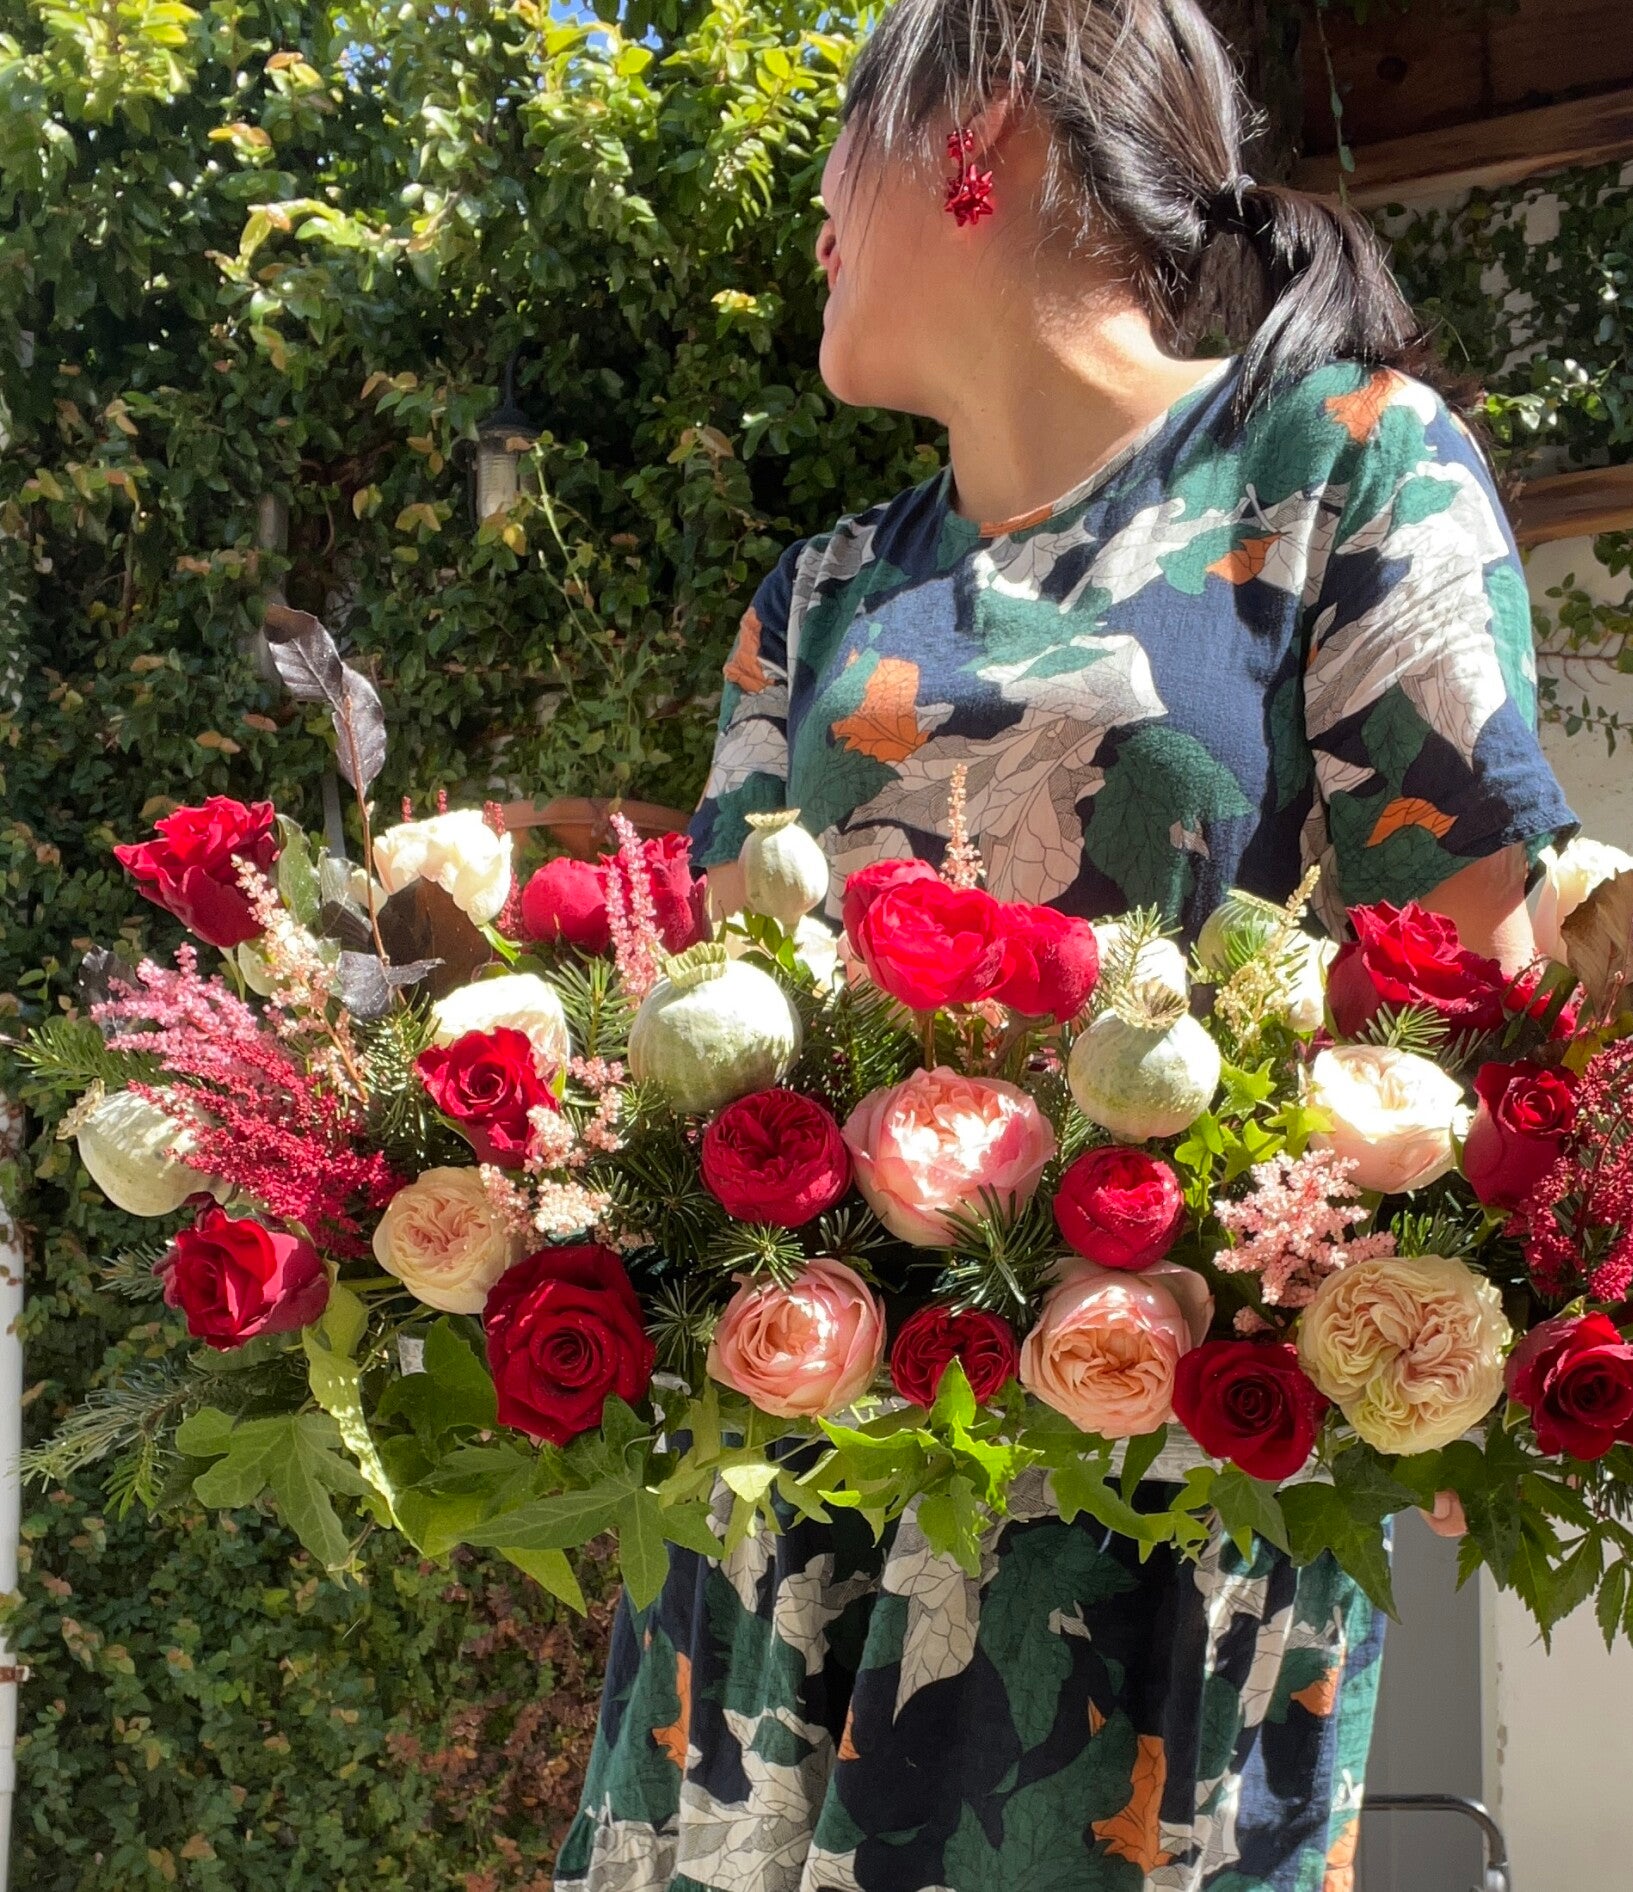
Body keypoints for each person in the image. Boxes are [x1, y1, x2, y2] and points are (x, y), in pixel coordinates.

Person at [556, 0, 1574, 1883]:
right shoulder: (825, 591)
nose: (815, 223)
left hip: (1149, 1537)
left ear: (984, 132)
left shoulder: (1344, 464)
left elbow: (1469, 1017)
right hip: (775, 1530)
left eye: (841, 149)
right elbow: (699, 1038)